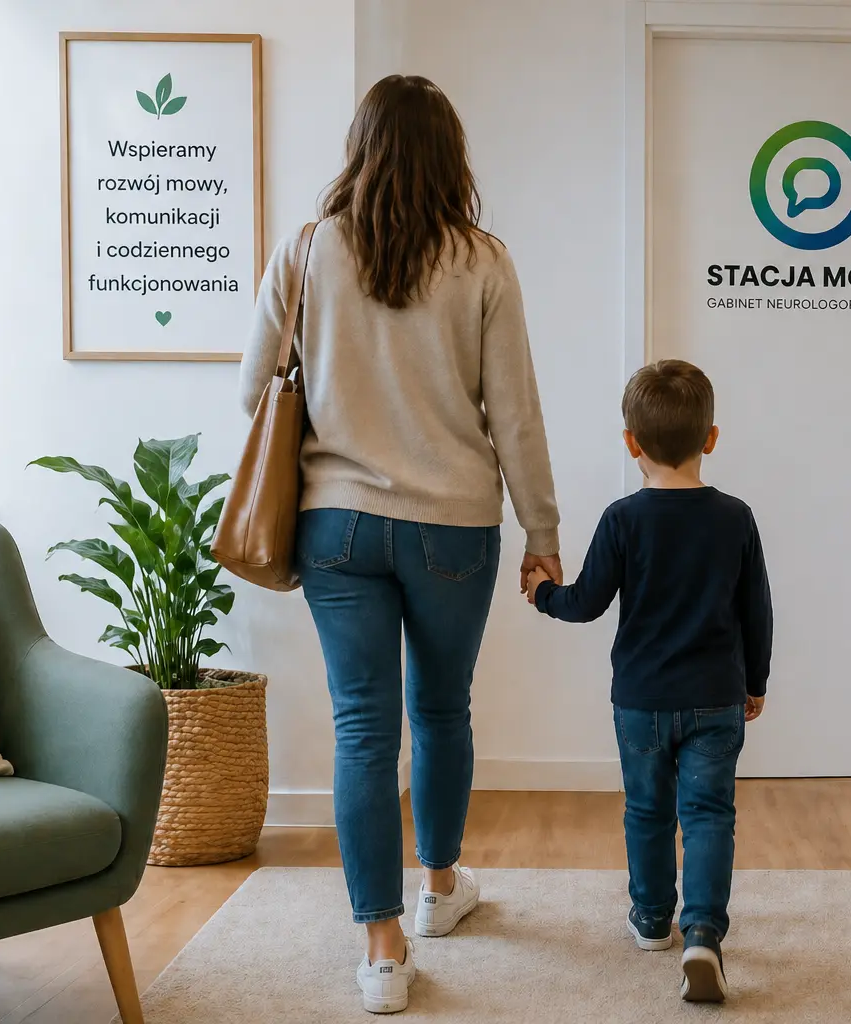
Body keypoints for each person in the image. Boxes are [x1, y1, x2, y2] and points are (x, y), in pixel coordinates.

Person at [239, 75, 561, 1014]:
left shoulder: (305, 251)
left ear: (359, 149)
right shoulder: (483, 262)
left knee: (361, 728)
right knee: (443, 712)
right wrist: (542, 532)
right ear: (449, 158)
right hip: (454, 526)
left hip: (335, 526)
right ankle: (437, 892)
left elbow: (253, 391)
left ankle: (380, 952)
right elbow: (518, 417)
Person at [525, 359, 772, 1003]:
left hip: (640, 701)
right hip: (717, 692)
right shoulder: (735, 517)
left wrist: (542, 593)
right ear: (710, 438)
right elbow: (757, 609)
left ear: (631, 443)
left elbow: (585, 602)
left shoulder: (623, 518)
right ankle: (704, 934)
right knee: (710, 812)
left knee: (647, 810)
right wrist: (757, 680)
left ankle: (652, 918)